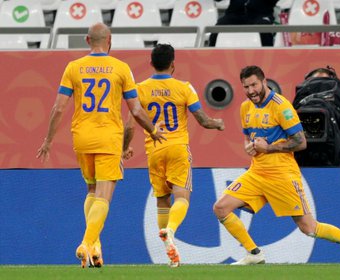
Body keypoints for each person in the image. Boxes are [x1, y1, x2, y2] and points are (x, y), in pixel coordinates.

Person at [213, 65, 340, 265]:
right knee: (221, 208)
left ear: (264, 82)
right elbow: (250, 138)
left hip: (282, 174)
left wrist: (269, 148)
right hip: (256, 173)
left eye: (254, 85)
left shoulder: (281, 106)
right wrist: (250, 147)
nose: (251, 91)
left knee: (309, 228)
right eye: (246, 87)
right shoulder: (245, 107)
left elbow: (300, 142)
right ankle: (254, 254)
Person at [36, 22, 166, 268]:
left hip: (81, 137)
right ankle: (86, 243)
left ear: (87, 40)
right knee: (104, 195)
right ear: (110, 40)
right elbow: (136, 110)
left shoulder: (73, 67)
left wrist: (48, 140)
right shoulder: (121, 68)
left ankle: (95, 247)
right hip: (108, 137)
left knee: (92, 191)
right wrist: (152, 130)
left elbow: (59, 108)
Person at [122, 44, 225, 267]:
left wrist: (125, 148)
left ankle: (167, 244)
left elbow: (130, 125)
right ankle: (170, 231)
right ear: (173, 64)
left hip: (154, 149)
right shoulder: (185, 87)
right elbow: (203, 120)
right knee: (182, 197)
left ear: (151, 63)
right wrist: (217, 124)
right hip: (177, 147)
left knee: (162, 198)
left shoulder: (139, 88)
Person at [209, 0, 279, 46]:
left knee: (264, 28)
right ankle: (211, 56)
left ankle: (268, 58)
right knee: (218, 28)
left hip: (260, 14)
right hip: (235, 13)